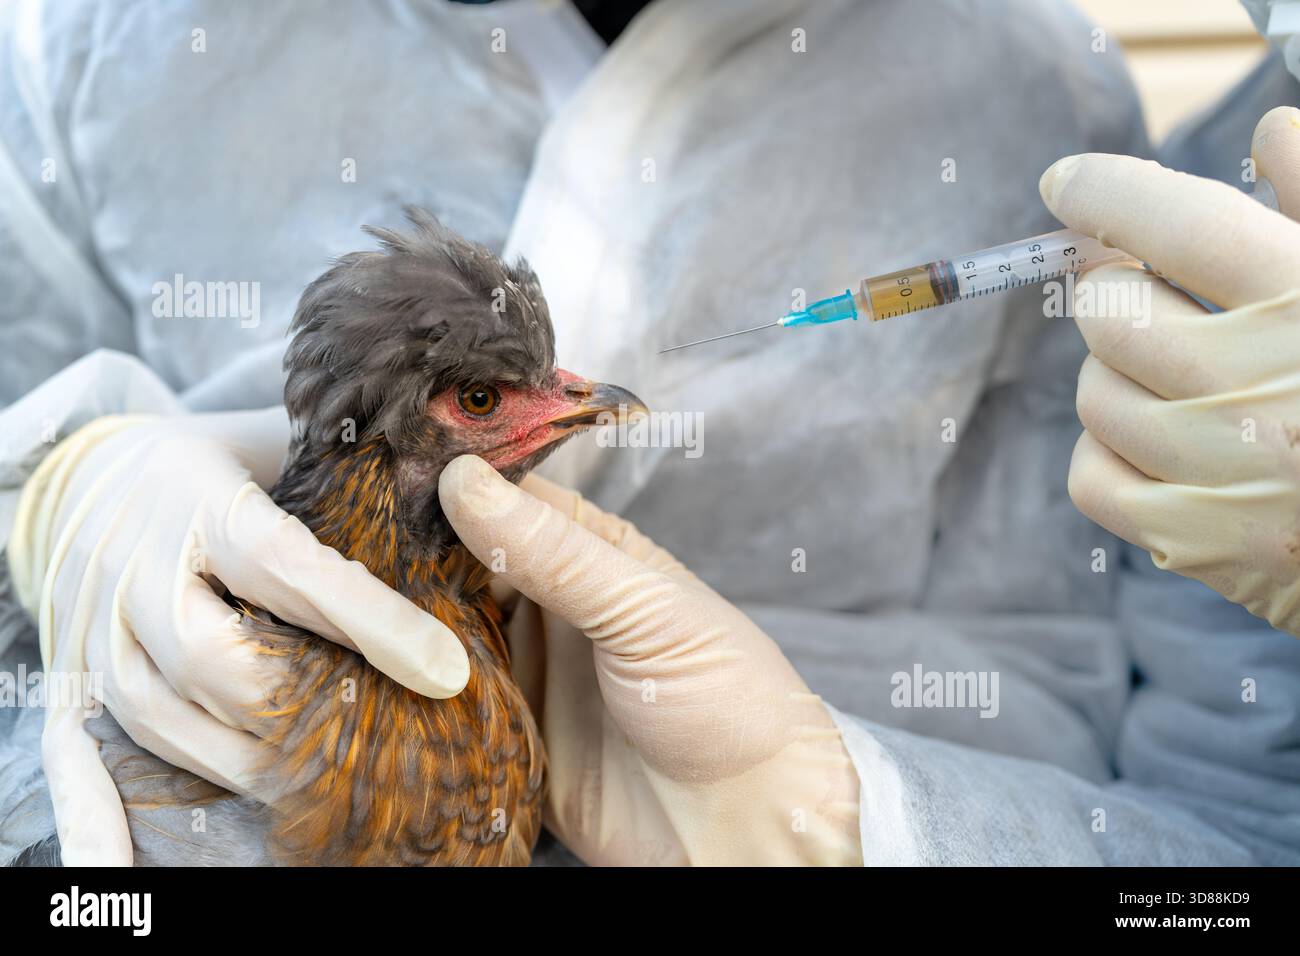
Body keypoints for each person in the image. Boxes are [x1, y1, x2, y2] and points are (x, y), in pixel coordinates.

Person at [1, 0, 1298, 866]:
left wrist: (843, 816)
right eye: (480, 401)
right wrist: (46, 495)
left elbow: (1192, 813)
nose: (582, 398)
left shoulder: (1029, 81)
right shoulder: (97, 45)